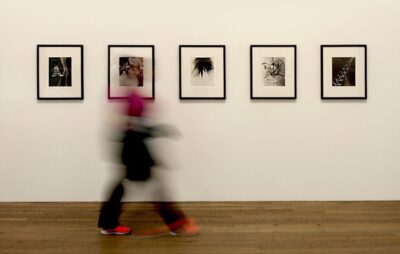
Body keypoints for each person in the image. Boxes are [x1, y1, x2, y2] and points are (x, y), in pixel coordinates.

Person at [98, 89, 199, 236]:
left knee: (122, 190)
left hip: (134, 161)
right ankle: (176, 223)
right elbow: (140, 136)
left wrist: (163, 132)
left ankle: (108, 223)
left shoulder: (132, 124)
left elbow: (144, 132)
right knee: (152, 190)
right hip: (135, 162)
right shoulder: (132, 127)